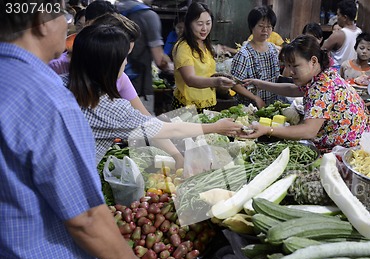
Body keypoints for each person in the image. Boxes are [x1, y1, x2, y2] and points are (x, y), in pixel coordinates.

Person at [0, 2, 149, 259]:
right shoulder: (48, 99)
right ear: (42, 21)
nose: (69, 26)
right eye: (65, 18)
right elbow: (85, 218)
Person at [66, 24, 243, 165]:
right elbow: (166, 129)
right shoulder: (110, 108)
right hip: (77, 181)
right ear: (108, 65)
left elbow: (151, 125)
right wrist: (215, 127)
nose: (126, 62)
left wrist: (177, 156)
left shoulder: (60, 83)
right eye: (123, 58)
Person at [240, 35, 370, 151]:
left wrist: (268, 130)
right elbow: (294, 89)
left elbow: (309, 131)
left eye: (295, 66)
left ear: (313, 61)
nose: (290, 72)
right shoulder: (322, 76)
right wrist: (260, 84)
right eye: (288, 66)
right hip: (357, 141)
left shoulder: (322, 87)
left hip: (350, 151)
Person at [172, 2, 235, 111]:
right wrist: (216, 82)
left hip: (208, 103)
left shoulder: (205, 44)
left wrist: (217, 77)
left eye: (208, 23)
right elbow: (190, 79)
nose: (204, 28)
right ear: (189, 23)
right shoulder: (184, 47)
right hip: (187, 106)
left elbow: (205, 73)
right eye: (199, 24)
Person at [116, 0, 174, 115]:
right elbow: (160, 61)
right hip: (139, 88)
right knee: (145, 128)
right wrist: (173, 67)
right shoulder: (148, 15)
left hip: (113, 85)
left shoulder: (116, 10)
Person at [231, 6, 281, 108]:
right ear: (252, 27)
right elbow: (234, 84)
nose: (265, 30)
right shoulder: (244, 54)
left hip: (271, 104)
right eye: (261, 26)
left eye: (269, 27)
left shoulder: (273, 49)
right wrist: (256, 98)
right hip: (249, 107)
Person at [322, 0, 362, 70]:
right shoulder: (360, 32)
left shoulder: (338, 35)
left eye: (338, 15)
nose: (337, 18)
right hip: (354, 72)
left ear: (345, 18)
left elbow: (321, 52)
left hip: (338, 75)